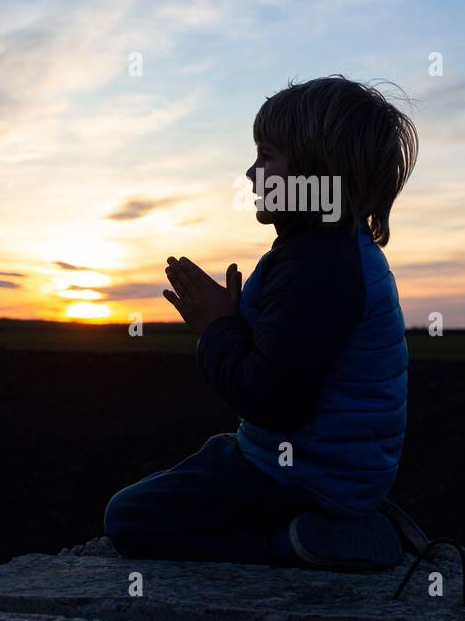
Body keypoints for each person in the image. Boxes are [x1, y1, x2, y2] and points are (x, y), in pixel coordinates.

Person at [103, 75, 425, 569]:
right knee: (211, 460)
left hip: (305, 474)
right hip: (333, 468)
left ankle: (303, 539)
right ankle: (343, 516)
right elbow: (296, 360)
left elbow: (274, 398)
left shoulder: (317, 266)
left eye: (266, 156)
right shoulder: (328, 253)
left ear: (317, 171)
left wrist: (217, 330)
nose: (250, 174)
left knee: (131, 516)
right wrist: (238, 322)